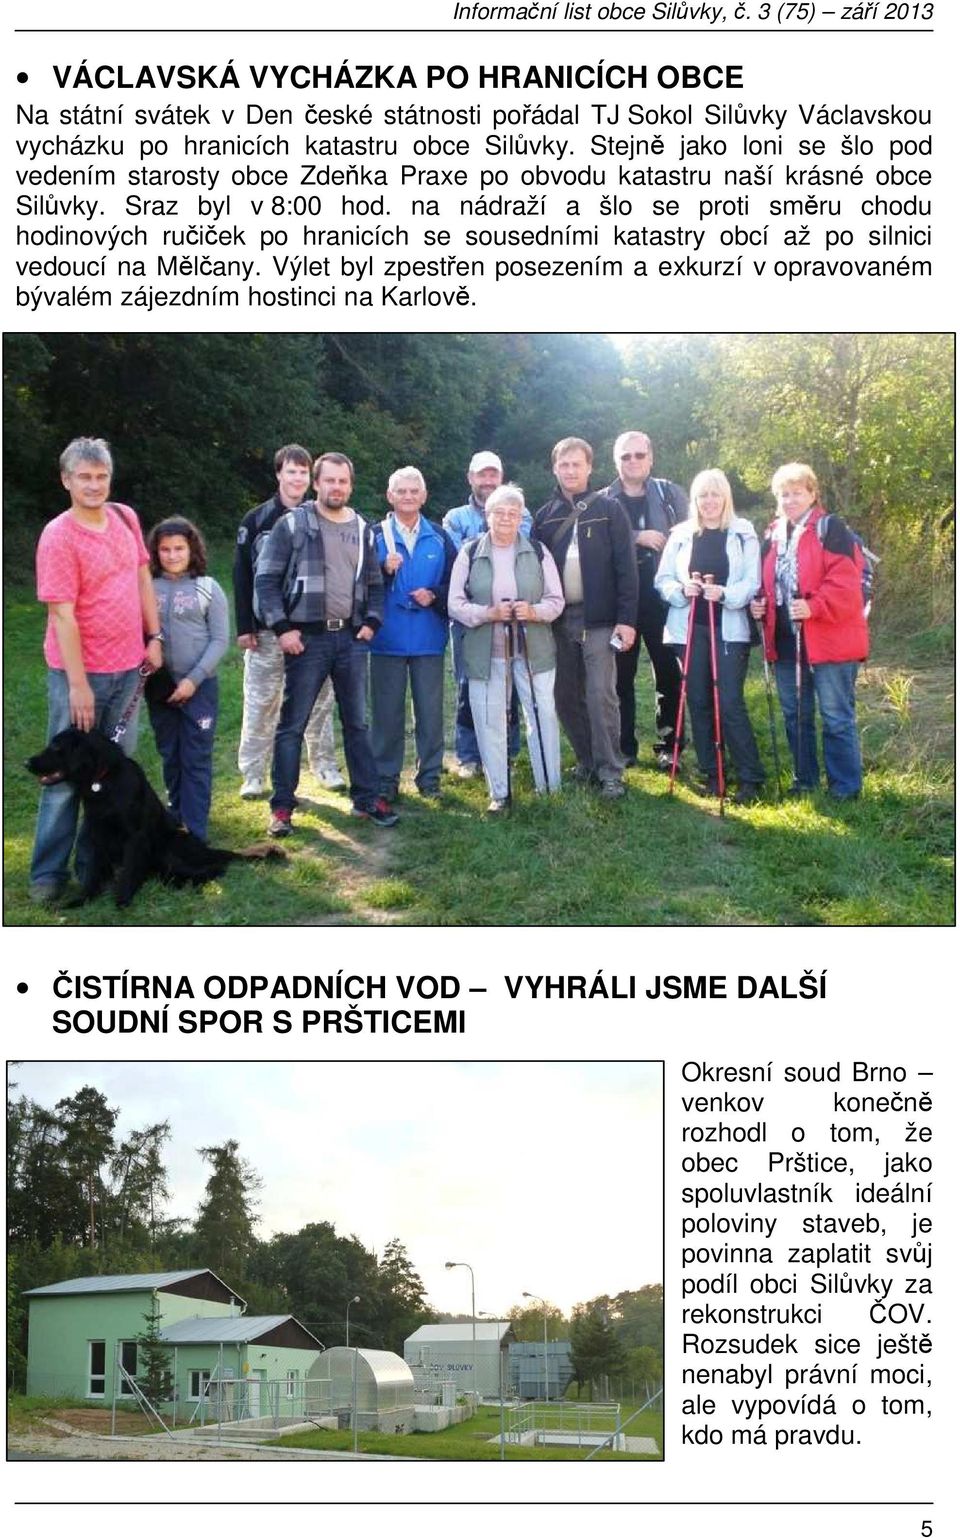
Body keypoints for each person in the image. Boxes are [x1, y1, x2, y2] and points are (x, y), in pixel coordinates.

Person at [29, 437, 164, 903]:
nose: (93, 485)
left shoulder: (126, 518)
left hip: (129, 668)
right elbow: (61, 615)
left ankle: (94, 867)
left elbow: (142, 577)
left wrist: (155, 636)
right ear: (66, 480)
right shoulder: (59, 536)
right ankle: (47, 874)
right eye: (83, 477)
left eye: (101, 476)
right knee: (65, 778)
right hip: (78, 675)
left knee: (108, 777)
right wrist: (78, 685)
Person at [255, 451, 399, 833]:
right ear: (316, 483)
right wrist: (282, 628)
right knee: (292, 726)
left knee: (357, 723)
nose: (336, 487)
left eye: (343, 481)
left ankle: (366, 799)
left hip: (351, 641)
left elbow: (374, 583)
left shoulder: (364, 529)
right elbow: (266, 581)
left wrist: (371, 622)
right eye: (329, 480)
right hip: (307, 640)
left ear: (350, 485)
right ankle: (282, 807)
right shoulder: (293, 525)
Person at [750, 462, 868, 800]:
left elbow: (847, 582)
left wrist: (814, 606)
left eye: (796, 493)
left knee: (835, 716)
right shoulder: (773, 534)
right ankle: (805, 781)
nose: (789, 500)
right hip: (787, 640)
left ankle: (845, 789)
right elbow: (767, 582)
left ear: (812, 494)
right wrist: (759, 604)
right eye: (783, 494)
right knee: (795, 715)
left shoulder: (831, 529)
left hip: (830, 638)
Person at [233, 443, 344, 799]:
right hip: (268, 631)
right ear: (279, 474)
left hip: (314, 630)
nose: (296, 478)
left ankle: (324, 765)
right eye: (290, 471)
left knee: (320, 700)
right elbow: (242, 575)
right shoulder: (257, 520)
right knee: (262, 701)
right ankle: (253, 773)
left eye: (302, 472)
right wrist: (245, 625)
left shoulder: (325, 517)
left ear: (310, 479)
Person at [533, 437, 638, 799]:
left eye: (577, 464)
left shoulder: (610, 510)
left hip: (601, 619)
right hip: (559, 620)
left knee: (600, 695)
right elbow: (535, 571)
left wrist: (627, 619)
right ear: (555, 469)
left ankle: (612, 771)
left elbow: (627, 569)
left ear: (590, 467)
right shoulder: (545, 516)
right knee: (564, 695)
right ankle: (587, 761)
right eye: (564, 465)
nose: (571, 470)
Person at [448, 484, 564, 812]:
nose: (506, 519)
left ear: (521, 518)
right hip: (487, 652)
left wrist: (533, 611)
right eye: (499, 512)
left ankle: (550, 789)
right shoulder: (470, 552)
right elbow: (455, 604)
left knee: (542, 715)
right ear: (488, 515)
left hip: (534, 650)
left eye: (513, 513)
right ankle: (499, 792)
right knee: (489, 721)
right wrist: (487, 614)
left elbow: (556, 601)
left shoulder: (538, 551)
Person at [655, 469, 765, 803]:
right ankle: (712, 773)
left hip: (729, 628)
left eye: (715, 494)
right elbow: (662, 579)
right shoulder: (681, 534)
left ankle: (750, 778)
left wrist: (726, 594)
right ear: (695, 500)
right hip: (690, 628)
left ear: (726, 497)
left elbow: (752, 581)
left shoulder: (743, 532)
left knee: (729, 702)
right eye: (703, 495)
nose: (709, 501)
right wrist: (681, 589)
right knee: (699, 701)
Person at [369, 467, 457, 806]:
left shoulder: (439, 536)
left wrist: (434, 594)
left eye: (413, 491)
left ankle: (430, 775)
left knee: (430, 711)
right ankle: (386, 778)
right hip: (386, 638)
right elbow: (357, 586)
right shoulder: (373, 536)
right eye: (401, 491)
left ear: (424, 496)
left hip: (427, 638)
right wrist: (381, 570)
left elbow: (457, 585)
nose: (408, 497)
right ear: (390, 496)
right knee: (387, 713)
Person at [442, 452, 531, 778]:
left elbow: (523, 550)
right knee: (469, 685)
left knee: (509, 684)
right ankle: (469, 755)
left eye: (494, 475)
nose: (488, 481)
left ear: (502, 477)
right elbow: (457, 560)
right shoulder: (455, 517)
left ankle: (506, 751)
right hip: (469, 617)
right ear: (471, 478)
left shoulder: (524, 513)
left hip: (512, 615)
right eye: (482, 475)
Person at [604, 431, 689, 769]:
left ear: (651, 459)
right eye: (625, 456)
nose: (633, 461)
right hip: (620, 601)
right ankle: (624, 748)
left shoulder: (670, 494)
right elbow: (597, 549)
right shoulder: (603, 500)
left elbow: (690, 537)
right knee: (619, 677)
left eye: (639, 455)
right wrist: (637, 537)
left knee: (669, 674)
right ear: (616, 461)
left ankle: (670, 746)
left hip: (663, 599)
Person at [146, 518, 229, 841]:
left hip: (199, 687)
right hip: (160, 686)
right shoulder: (147, 588)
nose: (172, 555)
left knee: (195, 757)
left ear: (192, 549)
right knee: (170, 753)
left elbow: (220, 640)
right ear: (155, 552)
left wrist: (193, 680)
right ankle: (175, 817)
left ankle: (195, 830)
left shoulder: (208, 588)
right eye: (164, 549)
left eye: (179, 548)